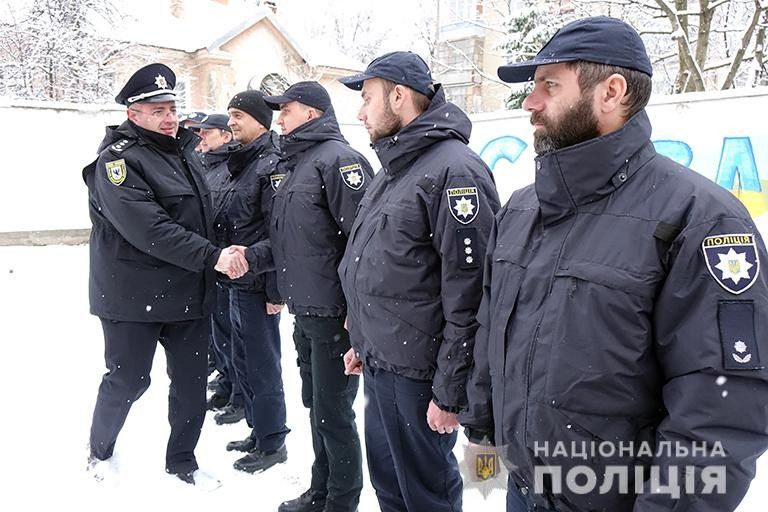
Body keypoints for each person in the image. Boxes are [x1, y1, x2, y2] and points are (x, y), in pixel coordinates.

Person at [460, 16, 768, 512]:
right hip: (521, 491)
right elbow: (492, 335)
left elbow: (718, 416)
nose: (530, 103)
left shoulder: (700, 220)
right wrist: (483, 448)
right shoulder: (519, 210)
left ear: (611, 92)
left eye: (548, 86)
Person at [337, 51, 500, 512]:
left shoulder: (455, 172)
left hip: (421, 377)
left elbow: (471, 295)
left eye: (367, 98)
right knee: (390, 487)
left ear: (400, 96)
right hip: (383, 363)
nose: (360, 111)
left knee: (426, 495)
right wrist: (364, 342)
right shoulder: (396, 168)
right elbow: (382, 268)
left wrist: (450, 391)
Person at [82, 63, 247, 488]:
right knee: (128, 380)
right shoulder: (116, 163)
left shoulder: (186, 153)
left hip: (189, 293)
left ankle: (183, 462)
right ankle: (99, 450)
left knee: (191, 387)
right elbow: (149, 229)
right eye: (157, 109)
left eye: (171, 107)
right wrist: (213, 256)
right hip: (132, 297)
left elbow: (201, 218)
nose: (169, 116)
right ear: (133, 114)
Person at [238, 81, 373, 512]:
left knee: (334, 414)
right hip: (308, 310)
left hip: (335, 314)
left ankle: (341, 500)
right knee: (317, 407)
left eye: (287, 110)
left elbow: (362, 243)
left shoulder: (340, 161)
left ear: (311, 114)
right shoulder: (299, 163)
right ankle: (321, 490)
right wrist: (249, 257)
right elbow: (290, 242)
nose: (279, 118)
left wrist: (356, 312)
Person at [211, 90, 290, 473]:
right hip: (234, 282)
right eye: (229, 115)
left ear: (261, 120)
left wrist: (275, 290)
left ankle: (273, 441)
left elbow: (279, 233)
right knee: (242, 361)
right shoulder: (240, 163)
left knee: (263, 365)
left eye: (238, 115)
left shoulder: (271, 164)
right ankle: (258, 431)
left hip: (258, 285)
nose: (231, 122)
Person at [195, 113, 244, 415]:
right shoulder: (209, 168)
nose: (201, 138)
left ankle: (238, 394)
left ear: (225, 136)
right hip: (217, 264)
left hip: (233, 264)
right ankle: (227, 384)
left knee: (237, 340)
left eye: (207, 133)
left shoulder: (230, 167)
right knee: (221, 335)